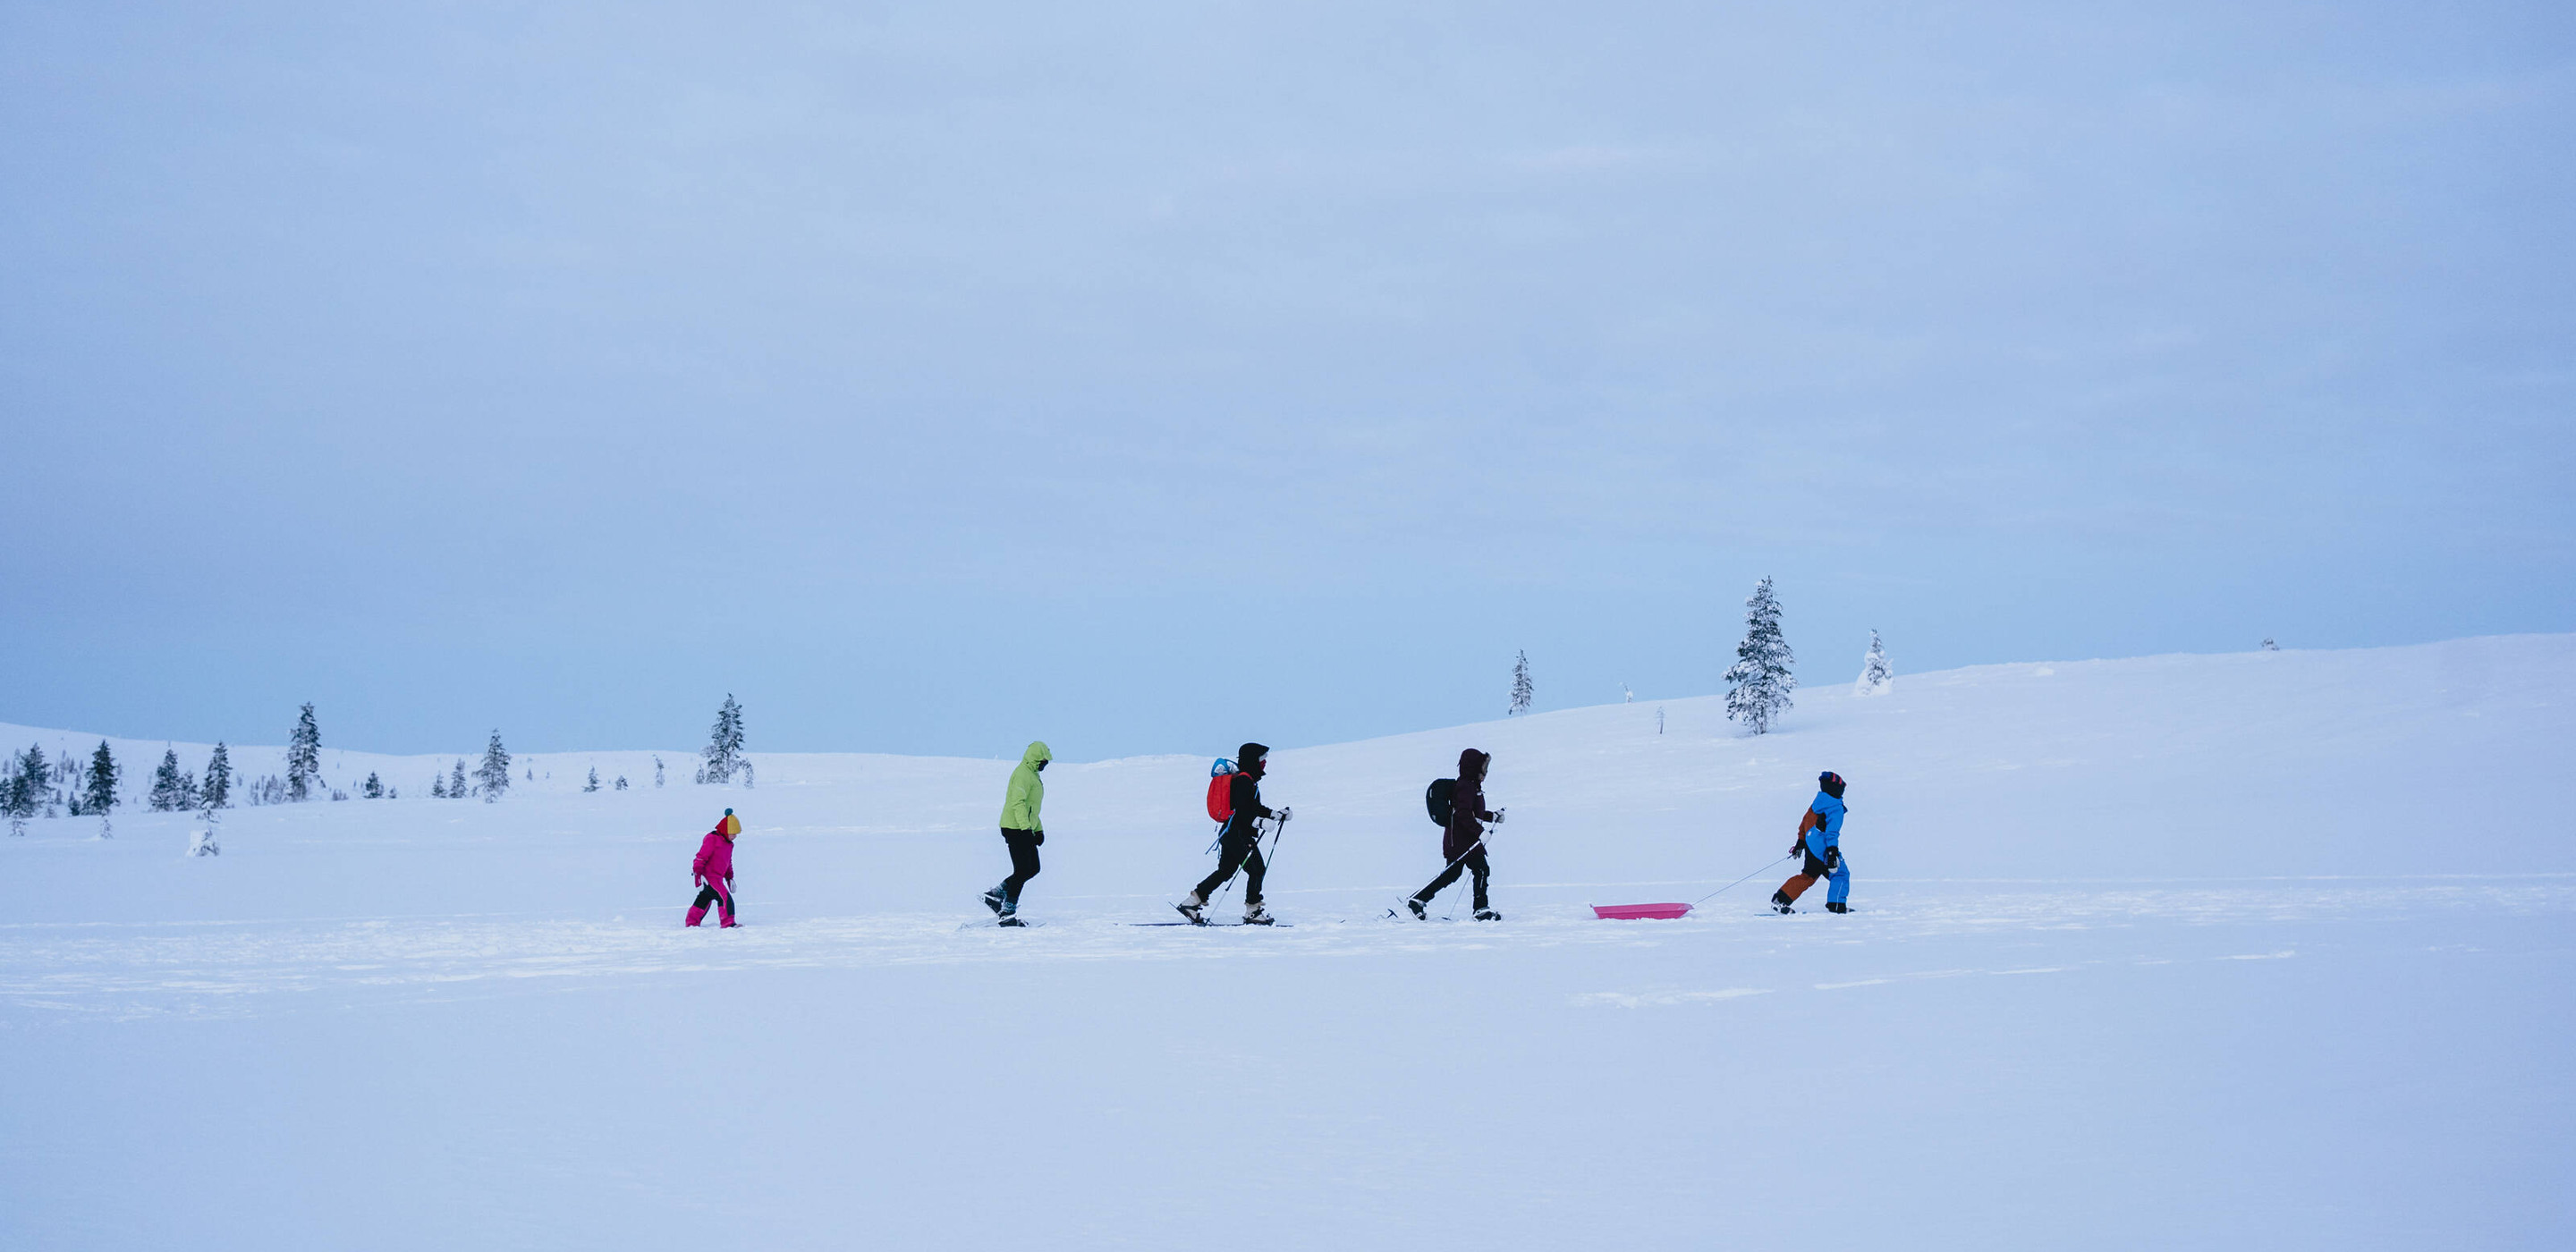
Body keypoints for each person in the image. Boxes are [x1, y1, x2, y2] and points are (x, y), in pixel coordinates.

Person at [1176, 742, 1289, 925]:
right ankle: (1253, 910)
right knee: (1257, 869)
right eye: (1262, 759)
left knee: (1226, 871)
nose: (1264, 763)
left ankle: (1192, 902)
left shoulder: (1246, 780)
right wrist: (1259, 822)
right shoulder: (1244, 780)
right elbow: (1243, 810)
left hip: (1231, 833)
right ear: (1253, 760)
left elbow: (1253, 807)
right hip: (1238, 834)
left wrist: (1274, 814)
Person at [1409, 748, 1504, 920]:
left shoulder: (1472, 786)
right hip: (1461, 840)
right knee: (1481, 869)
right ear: (1474, 768)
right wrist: (1480, 832)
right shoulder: (1466, 786)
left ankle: (1418, 899)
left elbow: (1473, 812)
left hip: (1463, 838)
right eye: (1483, 768)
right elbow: (1462, 814)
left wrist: (1493, 816)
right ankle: (1481, 909)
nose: (1486, 772)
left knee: (1454, 873)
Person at [983, 741, 1051, 926]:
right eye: (1044, 761)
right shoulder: (1022, 774)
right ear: (1036, 758)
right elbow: (1018, 803)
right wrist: (1026, 829)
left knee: (1033, 868)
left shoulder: (1033, 775)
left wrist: (1038, 829)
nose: (1046, 764)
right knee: (1022, 870)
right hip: (1015, 828)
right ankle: (1007, 913)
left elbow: (1032, 808)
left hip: (1024, 827)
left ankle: (996, 895)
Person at [1771, 772, 1851, 914]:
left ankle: (1780, 899)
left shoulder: (1817, 803)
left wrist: (1800, 842)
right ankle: (1837, 905)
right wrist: (1832, 852)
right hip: (1823, 849)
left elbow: (1804, 822)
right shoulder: (1835, 806)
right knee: (1841, 874)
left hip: (1811, 846)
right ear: (1837, 789)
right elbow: (1832, 832)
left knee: (1808, 876)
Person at [686, 808, 742, 927]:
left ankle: (692, 922)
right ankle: (728, 923)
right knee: (725, 898)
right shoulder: (712, 839)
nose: (735, 836)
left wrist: (729, 878)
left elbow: (727, 862)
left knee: (705, 899)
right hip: (709, 878)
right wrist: (698, 876)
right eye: (733, 833)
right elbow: (701, 857)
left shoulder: (729, 844)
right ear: (726, 831)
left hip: (718, 878)